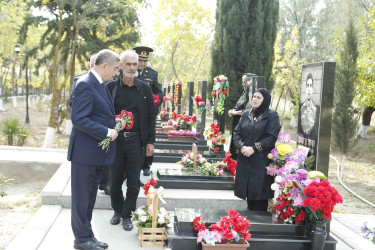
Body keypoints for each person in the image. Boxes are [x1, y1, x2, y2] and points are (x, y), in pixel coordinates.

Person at [68, 49, 120, 250]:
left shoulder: (100, 84)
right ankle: (81, 239)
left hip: (94, 153)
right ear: (104, 65)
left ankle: (87, 236)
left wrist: (114, 122)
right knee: (82, 198)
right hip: (85, 153)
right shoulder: (85, 84)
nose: (116, 73)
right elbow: (78, 119)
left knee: (89, 198)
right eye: (115, 68)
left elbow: (96, 113)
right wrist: (106, 131)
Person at [106, 50, 156, 231]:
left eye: (135, 64)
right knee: (115, 181)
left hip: (136, 142)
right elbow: (103, 114)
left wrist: (150, 141)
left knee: (134, 183)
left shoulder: (145, 88)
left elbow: (151, 116)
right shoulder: (110, 88)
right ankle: (117, 211)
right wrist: (112, 123)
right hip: (115, 142)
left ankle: (127, 215)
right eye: (129, 64)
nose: (132, 68)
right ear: (120, 65)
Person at [233, 88, 281, 211]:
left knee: (259, 198)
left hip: (261, 162)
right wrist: (242, 146)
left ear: (265, 100)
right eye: (254, 96)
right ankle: (249, 224)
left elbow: (271, 138)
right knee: (249, 196)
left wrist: (254, 148)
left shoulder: (272, 116)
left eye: (258, 97)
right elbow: (237, 132)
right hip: (246, 161)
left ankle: (259, 224)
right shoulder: (245, 114)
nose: (254, 99)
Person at [133, 46, 163, 176]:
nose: (142, 63)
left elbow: (158, 92)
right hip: (132, 113)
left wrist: (156, 99)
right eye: (140, 60)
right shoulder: (128, 71)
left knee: (148, 139)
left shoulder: (152, 73)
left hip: (147, 113)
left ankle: (146, 165)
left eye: (144, 61)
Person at [228, 74, 251, 160]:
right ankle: (232, 160)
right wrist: (232, 111)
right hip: (236, 121)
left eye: (244, 82)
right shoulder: (244, 92)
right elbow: (238, 105)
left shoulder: (250, 94)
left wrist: (235, 112)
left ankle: (234, 160)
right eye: (242, 81)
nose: (243, 84)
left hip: (242, 122)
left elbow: (248, 110)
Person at [300, 73, 317, 138]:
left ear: (313, 89)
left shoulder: (315, 109)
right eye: (307, 85)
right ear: (305, 88)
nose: (309, 89)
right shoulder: (302, 107)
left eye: (311, 86)